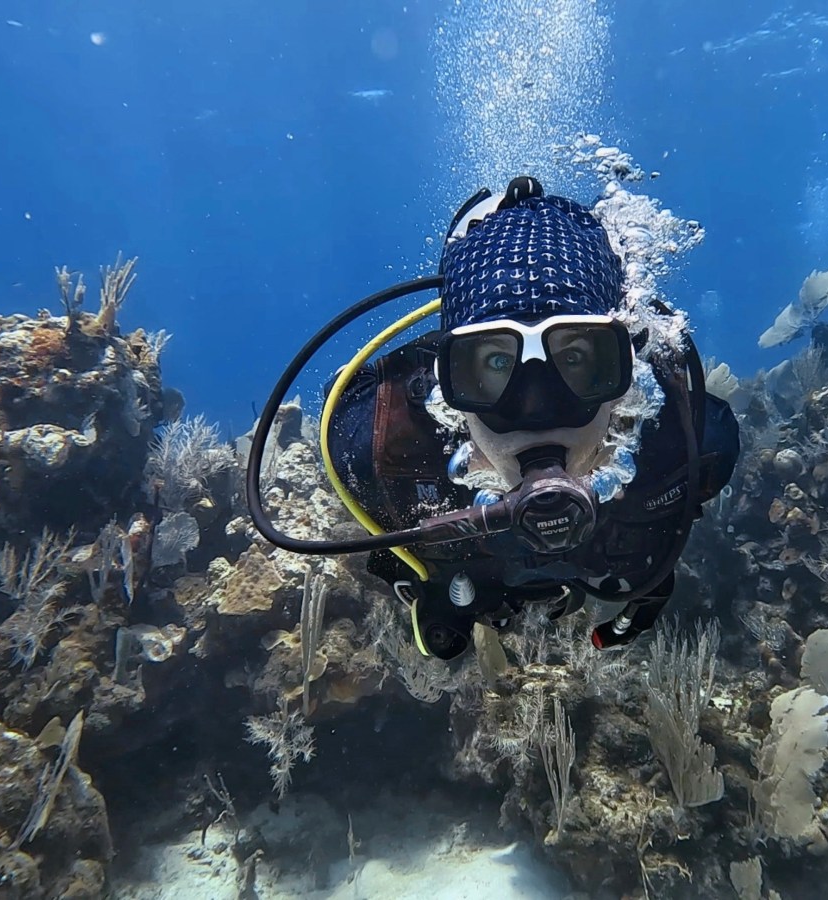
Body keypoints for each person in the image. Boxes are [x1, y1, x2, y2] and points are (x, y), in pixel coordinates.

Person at [315, 177, 741, 659]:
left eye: (575, 359)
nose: (536, 411)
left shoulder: (694, 446)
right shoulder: (376, 445)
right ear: (448, 384)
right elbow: (342, 403)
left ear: (624, 373)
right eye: (495, 363)